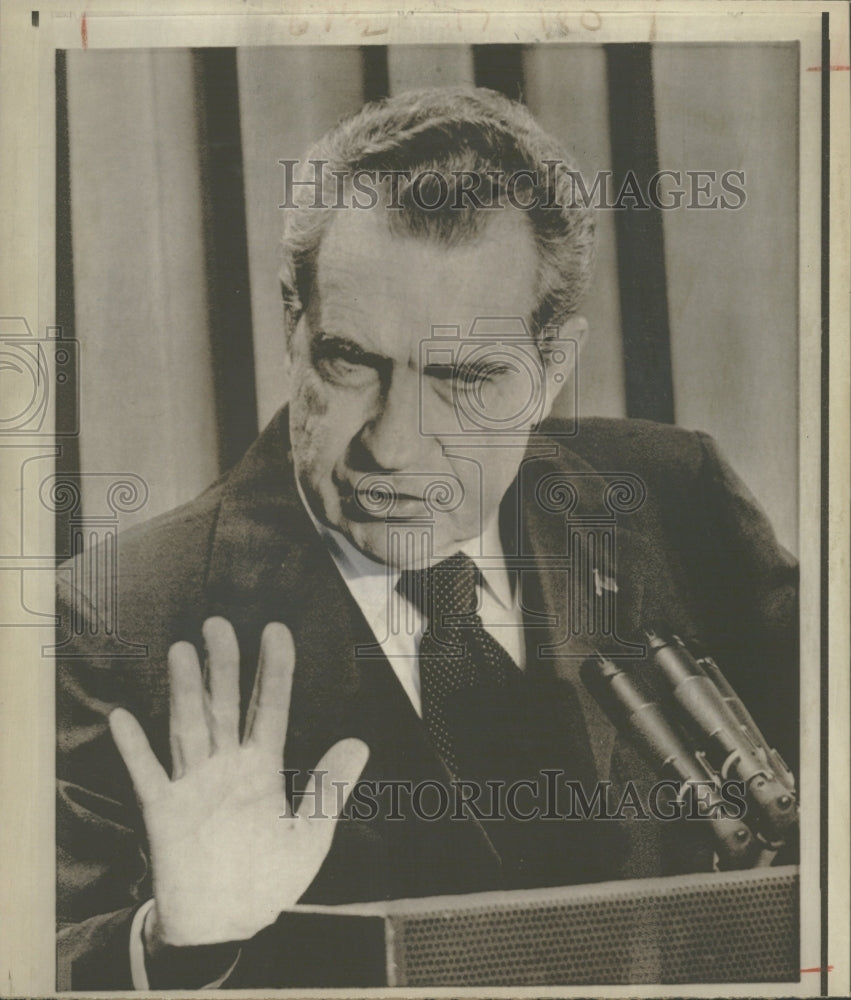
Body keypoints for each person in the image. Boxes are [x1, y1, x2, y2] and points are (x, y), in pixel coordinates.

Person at [56, 87, 798, 989]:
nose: (395, 446)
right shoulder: (109, 620)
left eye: (466, 377)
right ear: (293, 326)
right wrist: (174, 945)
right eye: (351, 360)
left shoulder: (677, 500)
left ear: (552, 365)